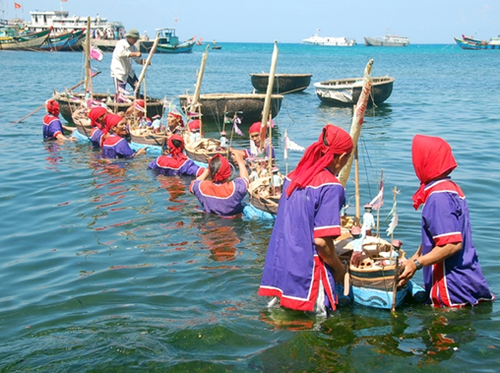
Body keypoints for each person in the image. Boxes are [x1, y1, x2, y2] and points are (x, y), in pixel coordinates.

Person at [258, 124, 353, 316]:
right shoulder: (331, 187)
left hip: (281, 261)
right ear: (342, 157)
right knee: (312, 326)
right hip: (306, 270)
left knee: (280, 318)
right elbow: (321, 241)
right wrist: (339, 268)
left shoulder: (292, 177)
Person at [398, 134, 494, 308]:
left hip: (451, 287)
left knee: (444, 333)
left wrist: (417, 264)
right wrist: (411, 260)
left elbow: (451, 245)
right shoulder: (450, 188)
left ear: (425, 161)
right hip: (467, 277)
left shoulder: (438, 197)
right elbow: (438, 236)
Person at [190, 151, 249, 216]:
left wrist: (209, 169)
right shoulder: (235, 189)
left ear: (210, 172)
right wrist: (240, 161)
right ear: (229, 173)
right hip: (231, 224)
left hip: (208, 223)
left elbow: (194, 183)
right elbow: (245, 179)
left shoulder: (201, 188)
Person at [110, 28, 145, 101]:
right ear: (129, 37)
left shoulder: (133, 47)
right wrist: (134, 54)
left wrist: (143, 61)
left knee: (137, 85)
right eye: (134, 38)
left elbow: (137, 59)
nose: (135, 40)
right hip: (119, 72)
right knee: (120, 92)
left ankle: (137, 99)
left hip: (129, 72)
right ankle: (119, 105)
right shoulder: (121, 43)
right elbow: (121, 53)